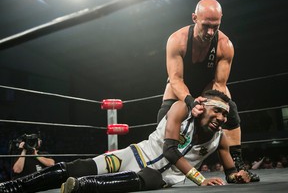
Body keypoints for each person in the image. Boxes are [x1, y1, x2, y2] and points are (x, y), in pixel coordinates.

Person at [0, 90, 251, 193]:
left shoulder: (219, 139)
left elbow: (231, 169)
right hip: (135, 154)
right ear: (202, 105)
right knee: (80, 165)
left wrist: (237, 175)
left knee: (150, 179)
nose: (221, 118)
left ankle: (81, 187)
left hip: (160, 177)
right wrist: (200, 180)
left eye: (226, 115)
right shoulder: (179, 110)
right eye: (218, 111)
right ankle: (12, 188)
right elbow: (171, 150)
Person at [157, 0, 259, 181]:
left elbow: (219, 84)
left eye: (216, 26)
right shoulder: (177, 40)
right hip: (179, 88)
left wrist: (210, 105)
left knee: (231, 110)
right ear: (194, 18)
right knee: (164, 120)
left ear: (221, 20)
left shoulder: (225, 45)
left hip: (208, 87)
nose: (210, 32)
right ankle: (160, 165)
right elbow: (176, 79)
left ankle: (237, 168)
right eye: (206, 25)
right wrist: (190, 102)